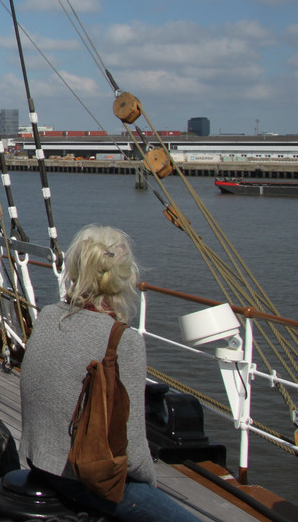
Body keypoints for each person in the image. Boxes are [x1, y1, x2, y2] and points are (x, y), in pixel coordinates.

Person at [17, 224, 201, 522]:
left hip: (38, 461)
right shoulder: (124, 340)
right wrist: (150, 481)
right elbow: (133, 450)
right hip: (83, 478)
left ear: (74, 270)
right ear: (126, 277)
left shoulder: (48, 316)